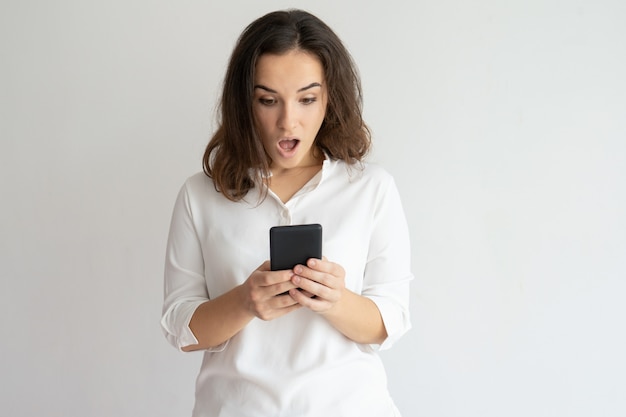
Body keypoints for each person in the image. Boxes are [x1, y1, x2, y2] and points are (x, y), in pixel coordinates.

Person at [161, 9, 413, 417]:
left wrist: (335, 300)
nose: (287, 121)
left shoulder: (371, 189)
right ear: (245, 102)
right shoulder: (200, 195)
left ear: (330, 98)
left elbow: (390, 321)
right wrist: (245, 301)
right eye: (268, 100)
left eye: (307, 99)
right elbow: (181, 329)